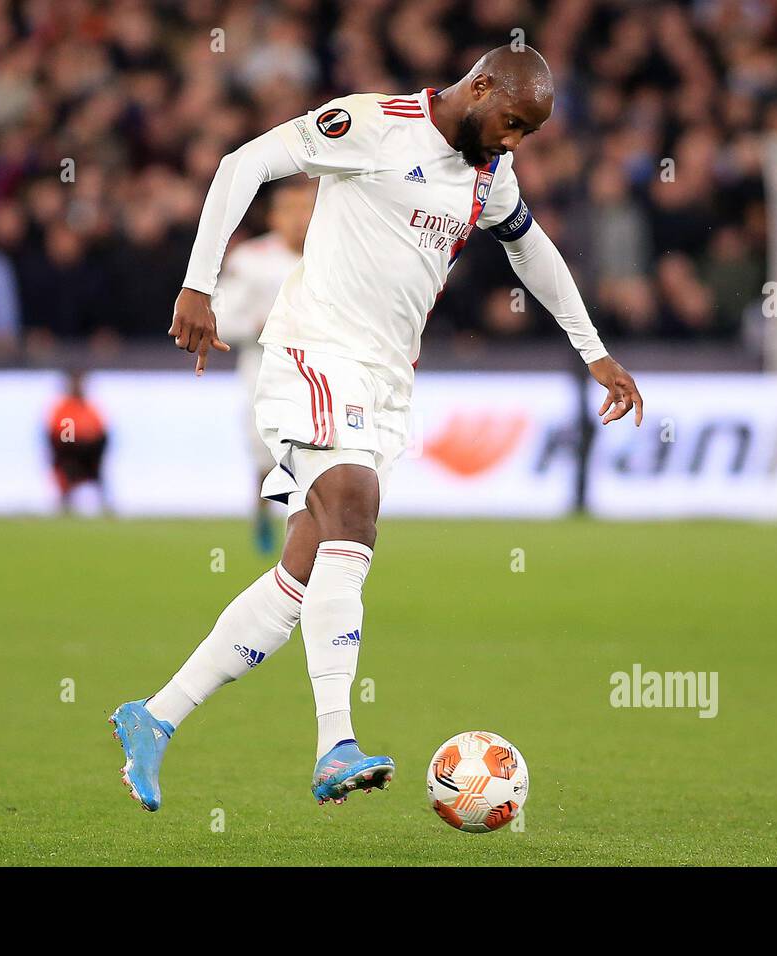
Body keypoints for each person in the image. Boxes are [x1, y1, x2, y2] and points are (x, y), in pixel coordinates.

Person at [110, 46, 643, 811]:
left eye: (528, 133)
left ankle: (155, 718)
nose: (514, 142)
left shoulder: (491, 175)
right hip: (313, 353)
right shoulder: (371, 124)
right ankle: (335, 743)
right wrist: (198, 284)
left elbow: (533, 250)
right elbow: (242, 164)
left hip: (387, 381)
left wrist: (593, 351)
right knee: (354, 512)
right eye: (512, 122)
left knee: (301, 576)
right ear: (482, 86)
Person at [212, 180, 316, 552]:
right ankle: (262, 515)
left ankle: (308, 527)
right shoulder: (251, 260)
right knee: (265, 451)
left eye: (307, 208)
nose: (301, 219)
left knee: (314, 451)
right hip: (264, 370)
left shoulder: (332, 256)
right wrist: (259, 325)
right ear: (274, 216)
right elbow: (219, 322)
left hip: (320, 370)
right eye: (291, 209)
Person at [47, 371, 108, 515]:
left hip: (90, 456)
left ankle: (104, 508)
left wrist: (91, 447)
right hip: (69, 456)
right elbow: (62, 438)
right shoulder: (64, 409)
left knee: (97, 472)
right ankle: (65, 507)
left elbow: (101, 434)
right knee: (67, 470)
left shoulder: (90, 408)